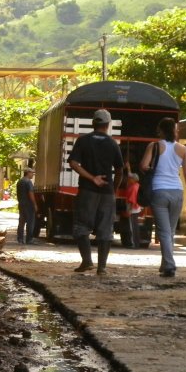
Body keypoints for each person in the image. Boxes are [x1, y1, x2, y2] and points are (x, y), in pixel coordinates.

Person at [67, 109, 124, 274]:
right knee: (105, 229)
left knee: (81, 227)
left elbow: (73, 164)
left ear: (94, 123)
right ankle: (102, 267)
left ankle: (87, 261)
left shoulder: (83, 141)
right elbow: (120, 170)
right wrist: (113, 189)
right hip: (107, 193)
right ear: (108, 125)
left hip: (87, 191)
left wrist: (92, 178)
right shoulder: (113, 143)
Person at [139, 117, 186, 278]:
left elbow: (143, 166)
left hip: (159, 190)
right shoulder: (183, 149)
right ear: (175, 131)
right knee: (169, 231)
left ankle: (169, 265)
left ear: (160, 130)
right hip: (177, 191)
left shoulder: (154, 146)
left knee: (163, 231)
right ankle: (165, 264)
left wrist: (153, 168)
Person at [15, 168, 37, 244]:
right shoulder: (28, 182)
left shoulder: (20, 181)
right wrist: (34, 204)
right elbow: (31, 193)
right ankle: (29, 239)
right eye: (32, 173)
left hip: (21, 204)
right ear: (27, 173)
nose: (33, 175)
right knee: (30, 222)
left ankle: (20, 239)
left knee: (21, 222)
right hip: (29, 205)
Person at [121, 172, 142, 248]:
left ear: (133, 179)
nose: (128, 179)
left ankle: (135, 244)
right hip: (135, 208)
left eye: (130, 178)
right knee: (134, 227)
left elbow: (132, 200)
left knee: (132, 227)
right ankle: (135, 244)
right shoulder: (136, 186)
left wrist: (129, 210)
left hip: (133, 209)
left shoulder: (133, 187)